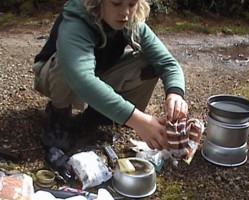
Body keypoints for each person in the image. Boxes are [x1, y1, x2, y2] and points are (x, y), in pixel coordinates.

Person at [32, 0, 188, 152]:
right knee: (67, 62)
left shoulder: (131, 23)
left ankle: (98, 115)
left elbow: (167, 63)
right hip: (53, 75)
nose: (125, 13)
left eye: (132, 4)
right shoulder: (76, 21)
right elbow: (82, 80)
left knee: (149, 64)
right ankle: (58, 114)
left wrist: (175, 94)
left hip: (97, 74)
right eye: (116, 4)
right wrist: (139, 121)